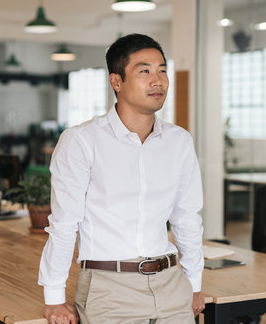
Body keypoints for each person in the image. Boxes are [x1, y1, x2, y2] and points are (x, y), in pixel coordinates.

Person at [38, 33, 205, 324]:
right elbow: (64, 223)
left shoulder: (179, 141)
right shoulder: (81, 141)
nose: (158, 80)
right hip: (109, 288)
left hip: (171, 284)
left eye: (162, 71)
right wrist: (54, 297)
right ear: (117, 82)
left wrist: (195, 282)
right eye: (145, 71)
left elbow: (187, 217)